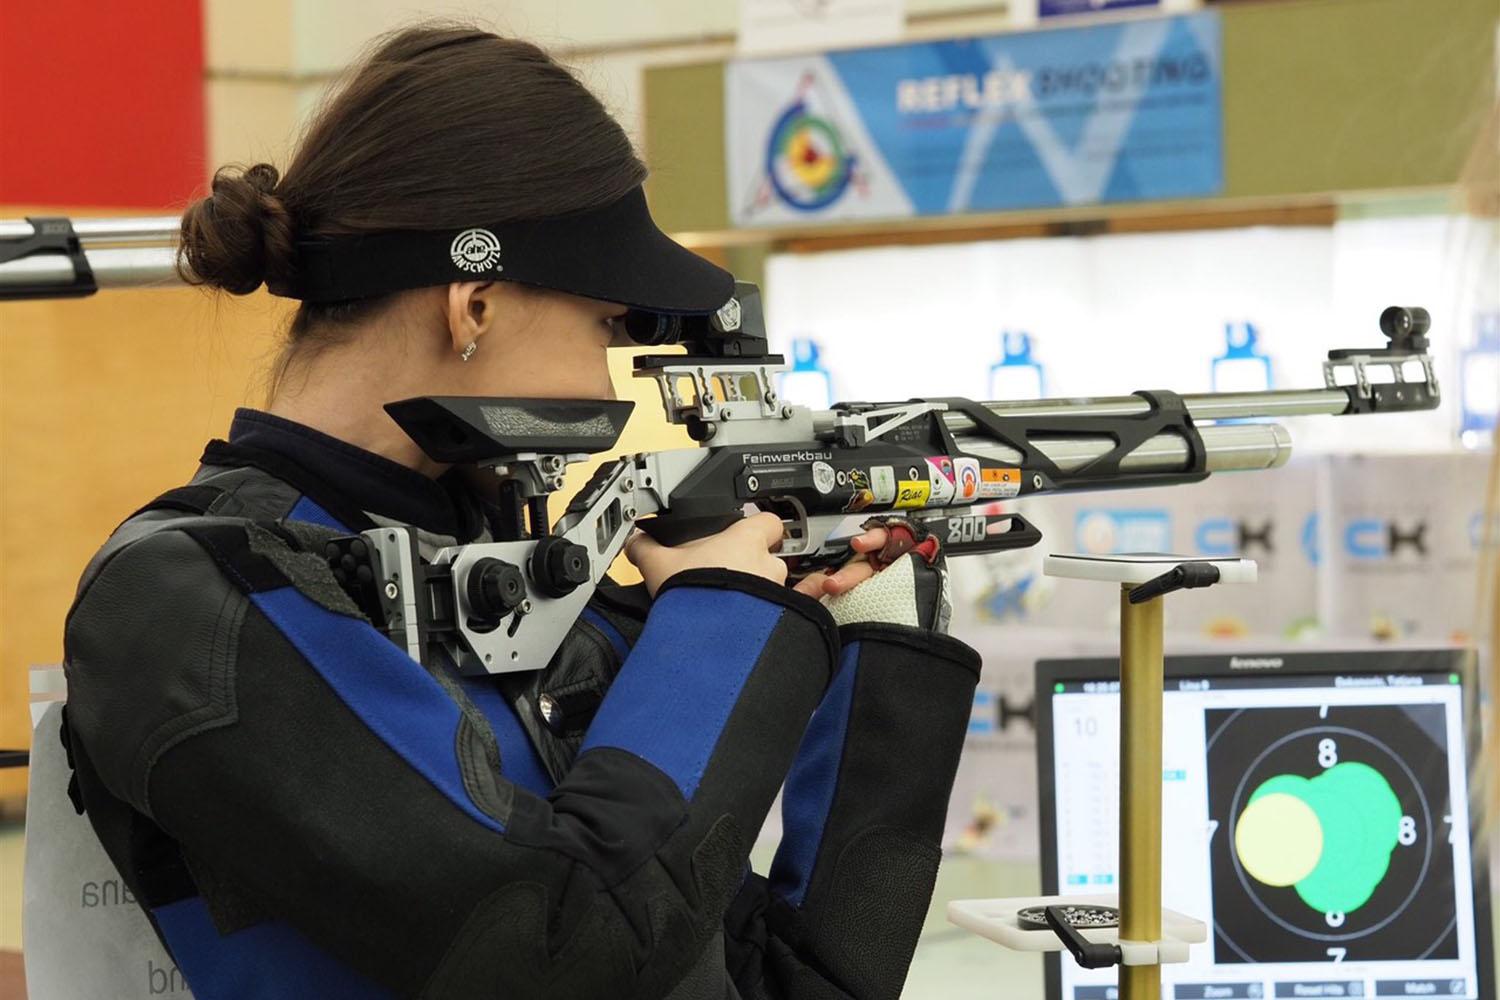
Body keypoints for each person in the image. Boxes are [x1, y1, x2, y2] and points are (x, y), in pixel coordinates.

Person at [59, 23, 981, 1000]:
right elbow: (558, 948)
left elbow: (792, 983)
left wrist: (871, 643)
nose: (614, 369)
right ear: (477, 305)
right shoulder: (190, 597)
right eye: (609, 325)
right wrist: (719, 616)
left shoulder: (512, 594)